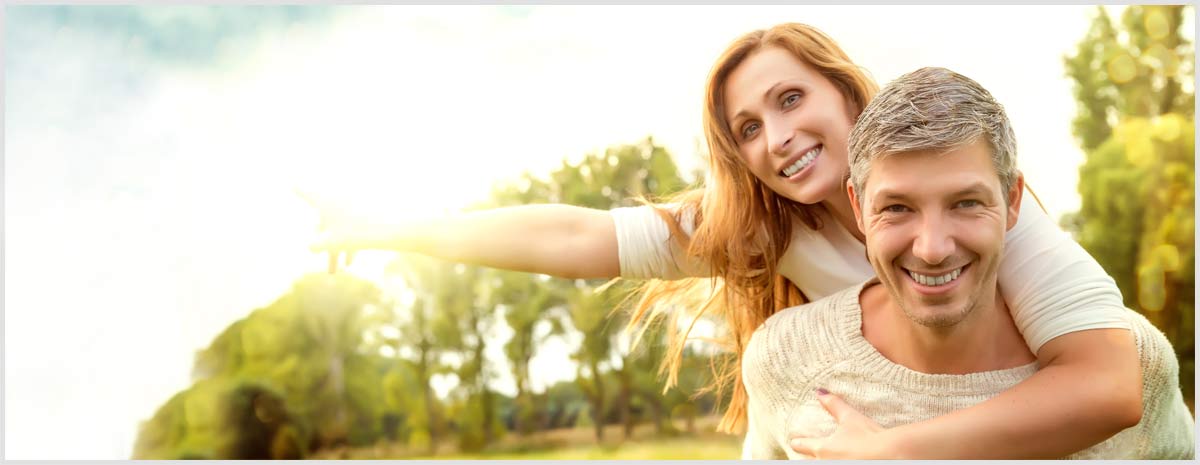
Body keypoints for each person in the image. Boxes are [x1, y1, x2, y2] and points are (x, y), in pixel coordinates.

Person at [309, 23, 1145, 458]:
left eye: (789, 99)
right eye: (747, 127)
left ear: (844, 90)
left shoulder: (969, 193)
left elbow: (1110, 387)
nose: (775, 138)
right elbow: (577, 233)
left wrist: (895, 451)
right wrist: (397, 230)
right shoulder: (765, 228)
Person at [741, 67, 1194, 460]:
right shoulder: (787, 359)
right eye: (897, 207)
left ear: (1013, 201)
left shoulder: (1137, 361)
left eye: (965, 203)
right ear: (858, 209)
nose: (933, 248)